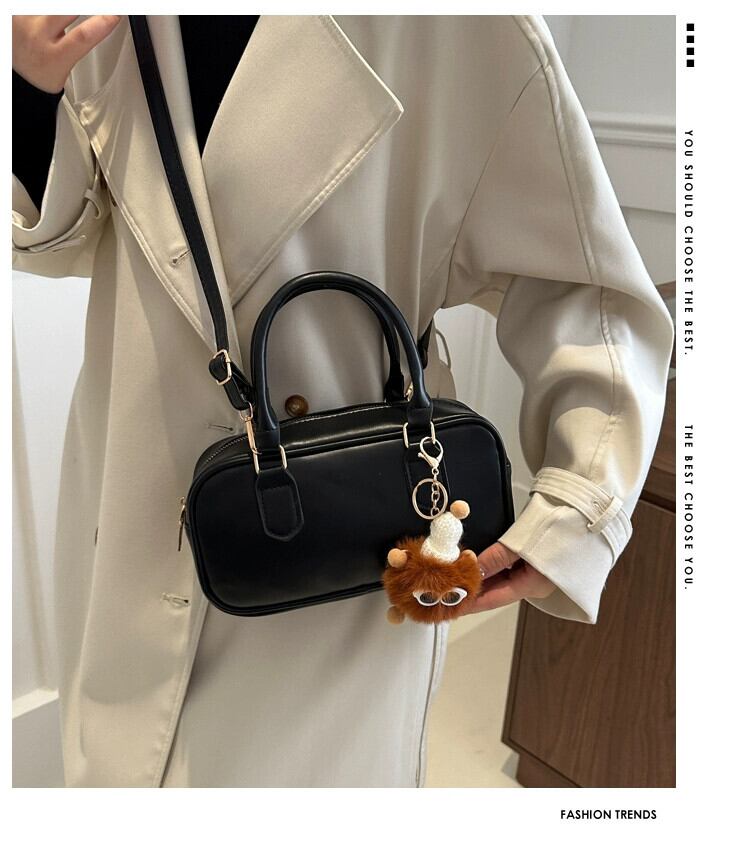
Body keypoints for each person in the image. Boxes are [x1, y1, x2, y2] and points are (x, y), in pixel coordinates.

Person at [11, 15, 674, 787]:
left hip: (347, 544)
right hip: (133, 489)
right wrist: (29, 90)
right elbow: (59, 239)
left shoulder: (460, 30)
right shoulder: (96, 23)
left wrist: (577, 504)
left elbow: (585, 288)